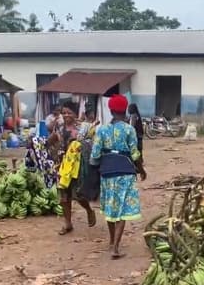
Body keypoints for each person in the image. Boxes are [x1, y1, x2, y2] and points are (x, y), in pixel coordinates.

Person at [91, 94, 146, 259]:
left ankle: (111, 242)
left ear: (111, 110)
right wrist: (141, 170)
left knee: (110, 208)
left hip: (107, 172)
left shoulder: (102, 130)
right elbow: (135, 153)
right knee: (121, 211)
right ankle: (115, 247)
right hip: (125, 172)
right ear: (124, 110)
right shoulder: (129, 129)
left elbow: (95, 154)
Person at [54, 100, 97, 235]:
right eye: (64, 113)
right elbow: (54, 140)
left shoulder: (82, 128)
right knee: (63, 196)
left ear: (75, 113)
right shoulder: (59, 127)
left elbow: (92, 144)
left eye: (69, 113)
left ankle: (89, 210)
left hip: (78, 166)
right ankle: (68, 223)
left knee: (78, 194)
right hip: (62, 165)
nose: (66, 115)